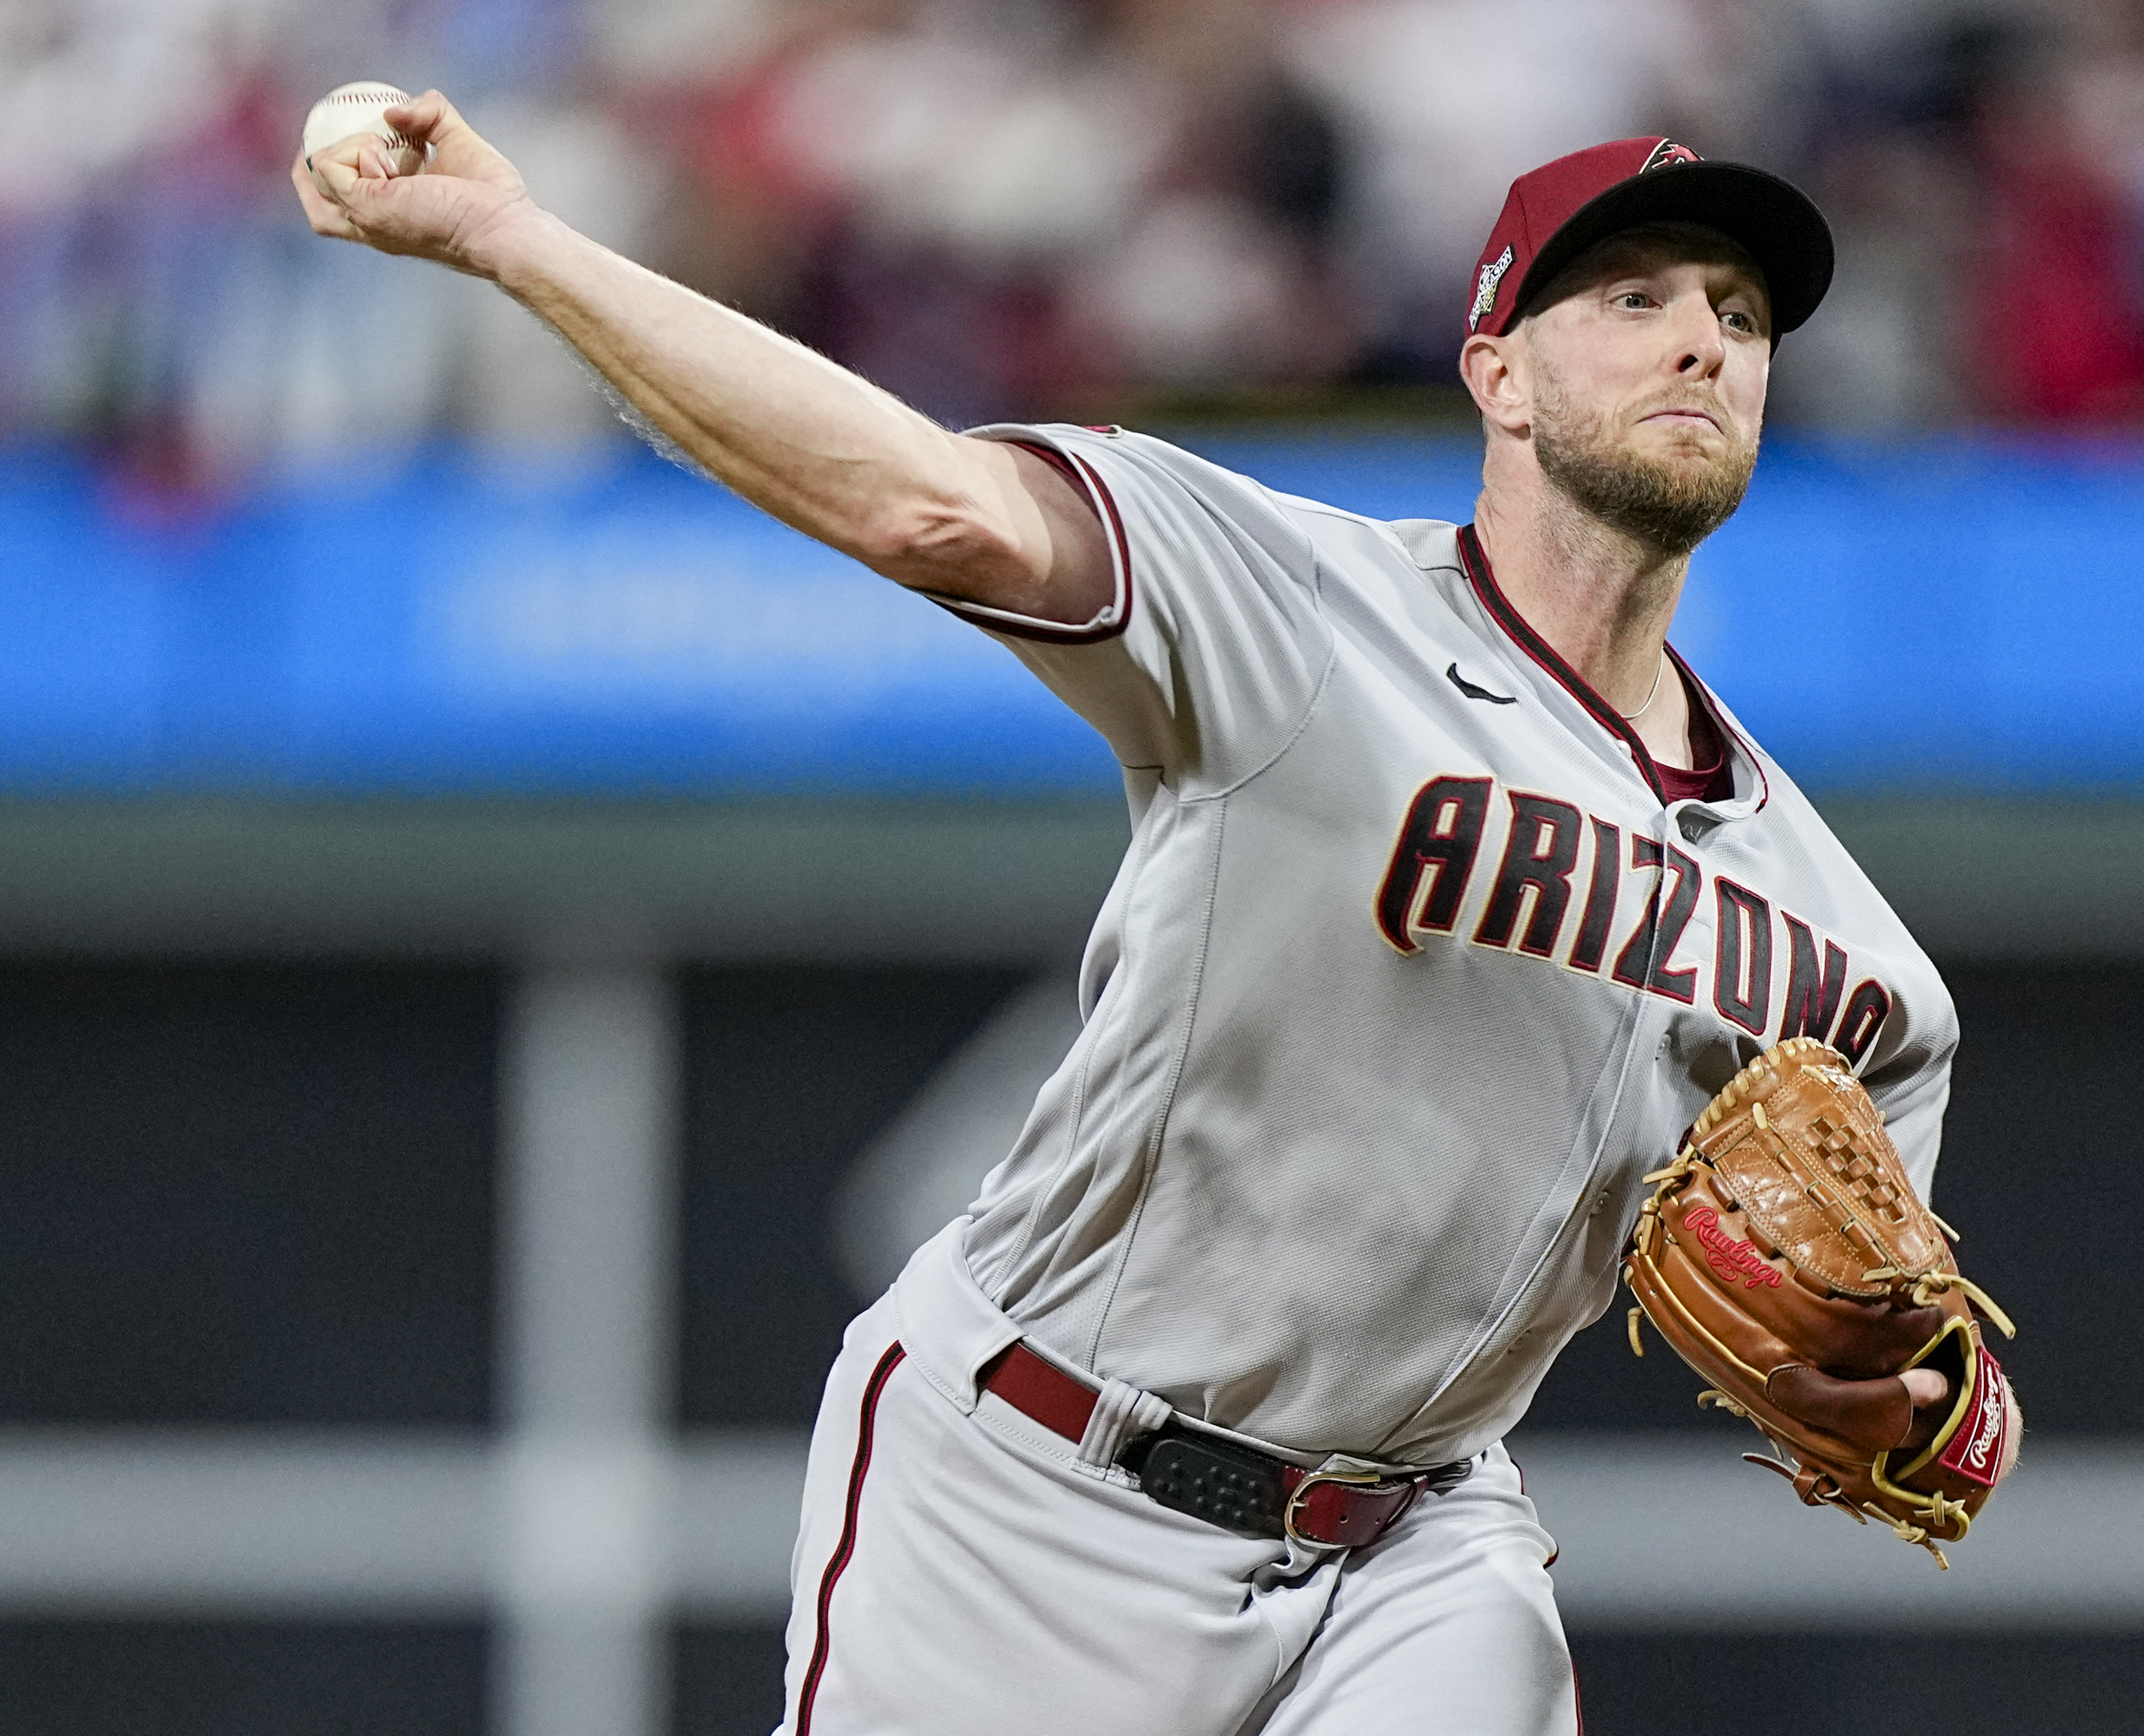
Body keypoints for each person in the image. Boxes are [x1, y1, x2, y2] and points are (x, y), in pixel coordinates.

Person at [297, 101, 1961, 1736]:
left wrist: (1913, 1396)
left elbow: (1910, 1363)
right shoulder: (1295, 602)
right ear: (1497, 375)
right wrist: (510, 241)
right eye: (1633, 298)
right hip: (1032, 1481)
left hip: (1414, 1543)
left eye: (1739, 318)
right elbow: (923, 503)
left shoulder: (1851, 953)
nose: (1703, 344)